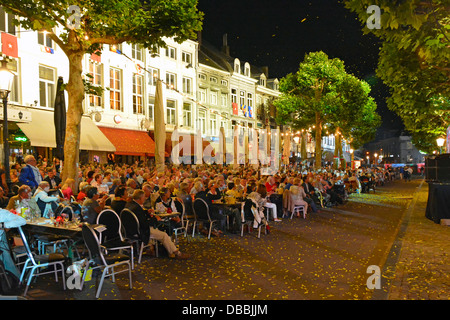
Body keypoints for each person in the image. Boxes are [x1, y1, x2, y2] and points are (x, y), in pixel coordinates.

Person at [125, 189, 189, 260]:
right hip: (141, 231)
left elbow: (140, 216)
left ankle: (159, 250)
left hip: (130, 231)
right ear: (140, 198)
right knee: (164, 235)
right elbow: (145, 223)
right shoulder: (137, 208)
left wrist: (146, 212)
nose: (145, 199)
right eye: (144, 197)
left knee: (159, 230)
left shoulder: (130, 205)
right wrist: (156, 219)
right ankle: (176, 253)